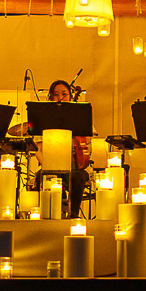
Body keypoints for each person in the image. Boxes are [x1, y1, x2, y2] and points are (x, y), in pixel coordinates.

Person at [33, 79, 90, 219]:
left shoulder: (79, 115)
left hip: (75, 168)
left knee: (77, 178)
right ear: (51, 97)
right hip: (51, 167)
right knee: (41, 176)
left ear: (70, 96)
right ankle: (47, 213)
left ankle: (74, 215)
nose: (60, 97)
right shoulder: (44, 119)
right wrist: (46, 165)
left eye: (64, 94)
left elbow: (88, 141)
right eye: (56, 94)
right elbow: (37, 149)